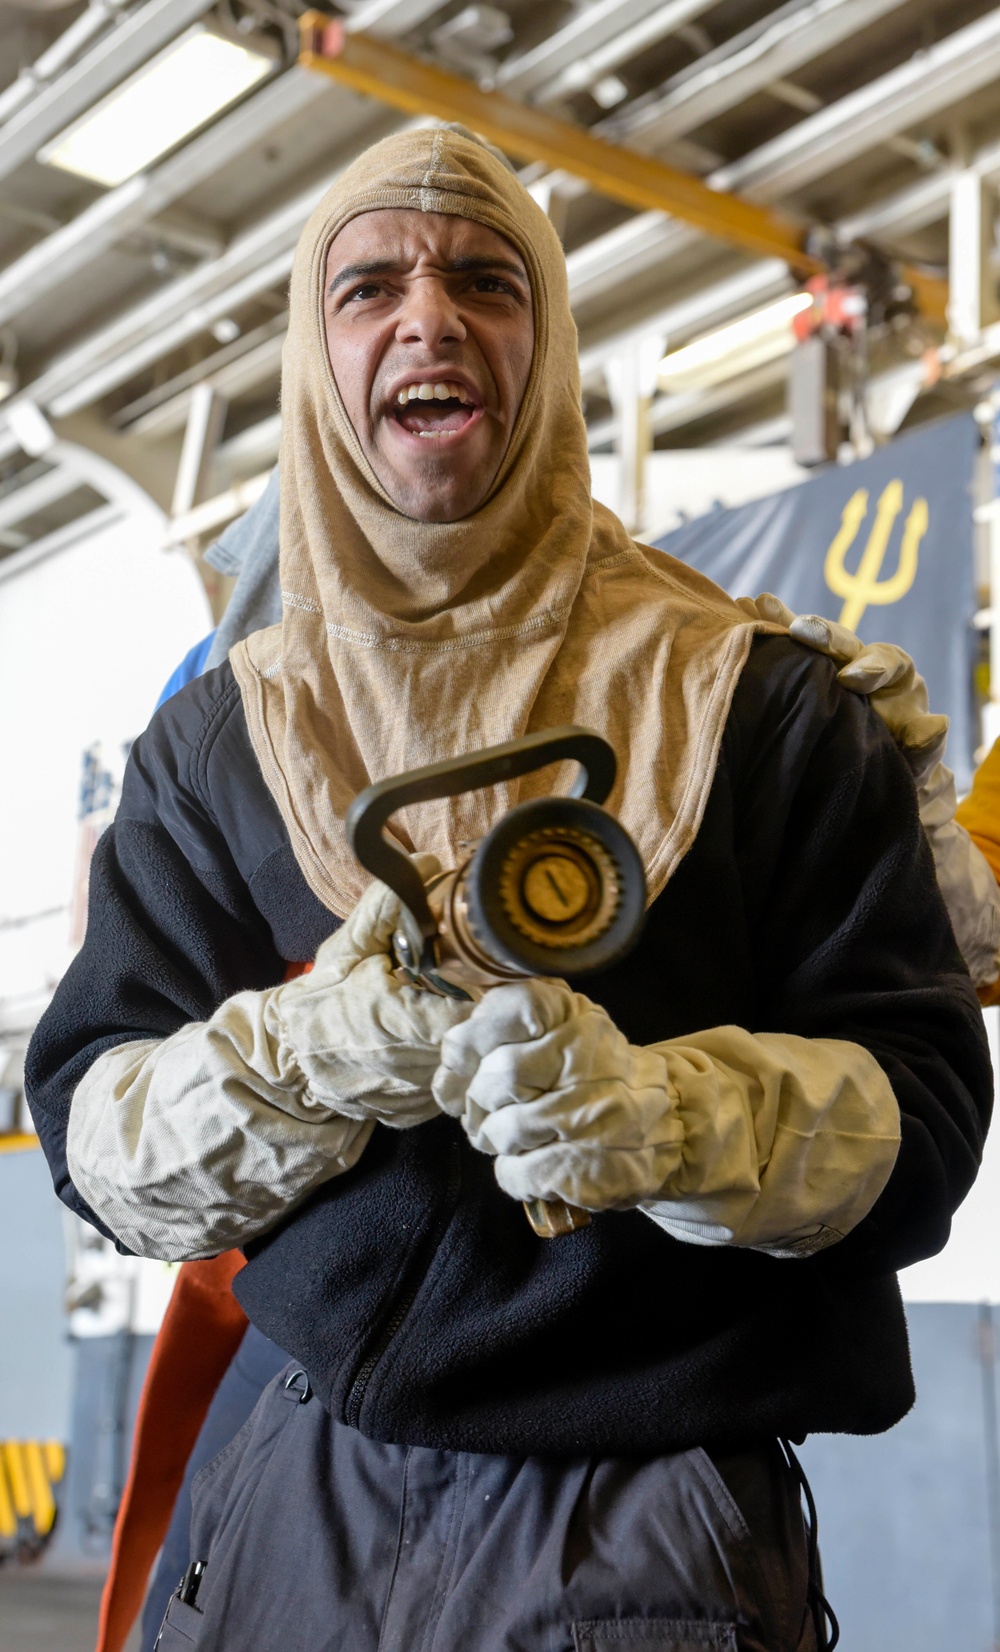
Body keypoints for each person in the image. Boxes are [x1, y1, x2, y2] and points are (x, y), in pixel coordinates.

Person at [25, 127, 991, 1652]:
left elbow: (924, 1115)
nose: (430, 316)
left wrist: (667, 1116)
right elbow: (93, 1129)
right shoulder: (223, 738)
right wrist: (299, 1057)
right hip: (300, 1481)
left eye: (487, 278)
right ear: (315, 355)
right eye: (369, 289)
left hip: (648, 1516)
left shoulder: (762, 702)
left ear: (543, 344)